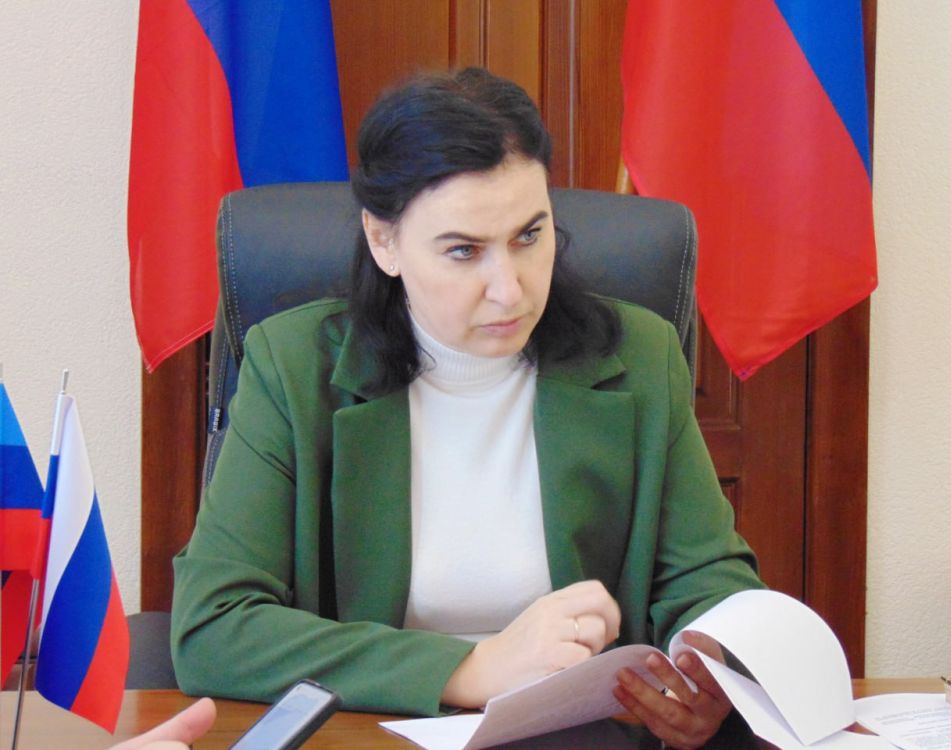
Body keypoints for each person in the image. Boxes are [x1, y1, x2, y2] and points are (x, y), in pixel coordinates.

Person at [171, 67, 764, 749]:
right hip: (373, 733)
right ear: (384, 241)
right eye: (463, 251)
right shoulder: (294, 366)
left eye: (529, 236)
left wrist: (710, 676)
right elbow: (213, 626)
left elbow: (707, 580)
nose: (509, 289)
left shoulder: (639, 356)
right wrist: (470, 668)